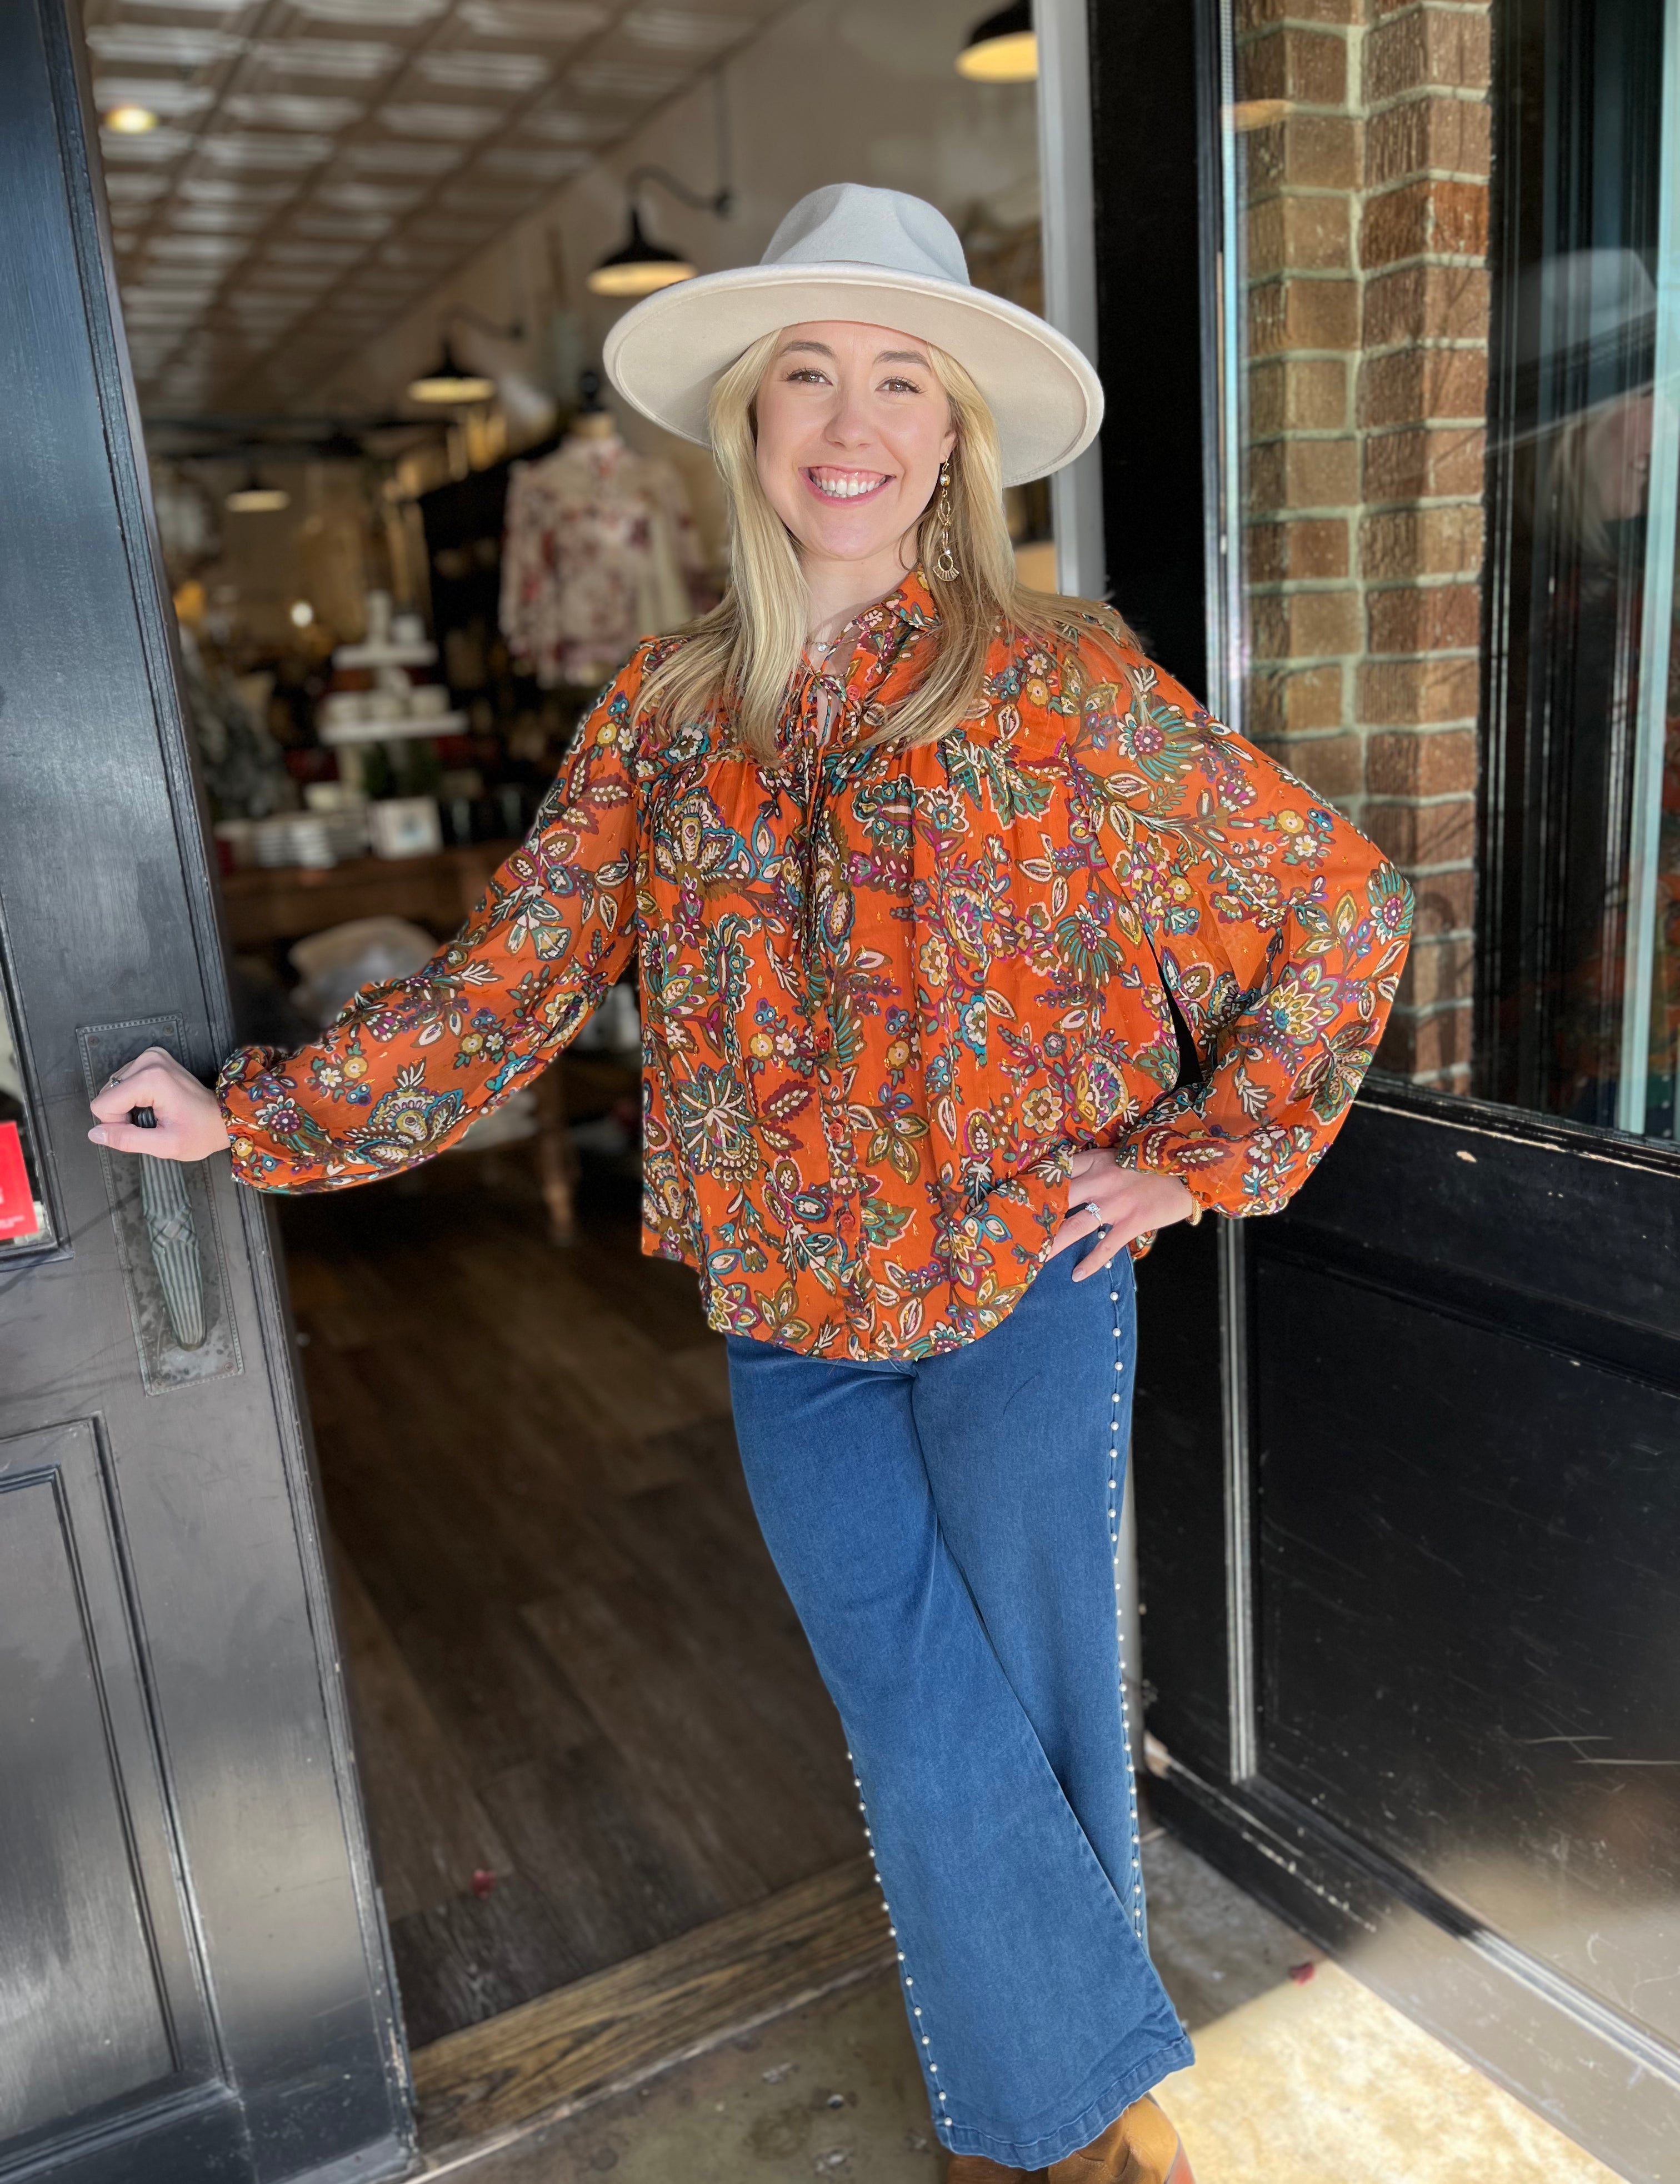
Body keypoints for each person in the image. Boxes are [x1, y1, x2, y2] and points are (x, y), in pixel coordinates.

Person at [91, 185, 1412, 2183]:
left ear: (954, 437)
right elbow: (507, 984)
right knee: (908, 1695)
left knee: (1034, 1690)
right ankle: (1081, 2089)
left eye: (902, 379)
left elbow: (1340, 908)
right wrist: (249, 1115)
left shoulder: (1062, 690)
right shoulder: (662, 720)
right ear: (753, 425)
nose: (852, 418)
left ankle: (1058, 2133)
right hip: (790, 1310)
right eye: (810, 374)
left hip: (1019, 1278)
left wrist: (1188, 1160)